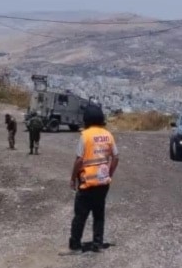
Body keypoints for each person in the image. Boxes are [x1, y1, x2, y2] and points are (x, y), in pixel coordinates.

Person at [66, 107, 119, 254]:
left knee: (80, 216)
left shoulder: (86, 136)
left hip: (87, 183)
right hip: (102, 183)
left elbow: (79, 160)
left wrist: (72, 179)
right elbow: (116, 157)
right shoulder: (108, 135)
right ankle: (97, 244)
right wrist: (110, 173)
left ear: (87, 120)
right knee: (99, 214)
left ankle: (75, 245)